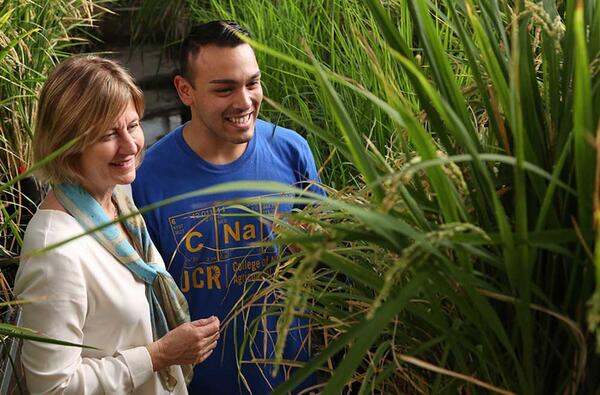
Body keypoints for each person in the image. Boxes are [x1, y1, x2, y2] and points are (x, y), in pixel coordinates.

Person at [132, 21, 323, 394]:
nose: (244, 101)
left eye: (252, 83)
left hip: (296, 378)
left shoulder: (291, 152)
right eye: (224, 89)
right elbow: (142, 306)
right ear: (185, 90)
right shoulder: (147, 180)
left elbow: (330, 266)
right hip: (199, 385)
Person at [15, 55, 220, 394]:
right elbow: (51, 388)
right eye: (109, 134)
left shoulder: (117, 200)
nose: (130, 145)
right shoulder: (55, 250)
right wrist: (158, 355)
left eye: (133, 125)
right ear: (68, 144)